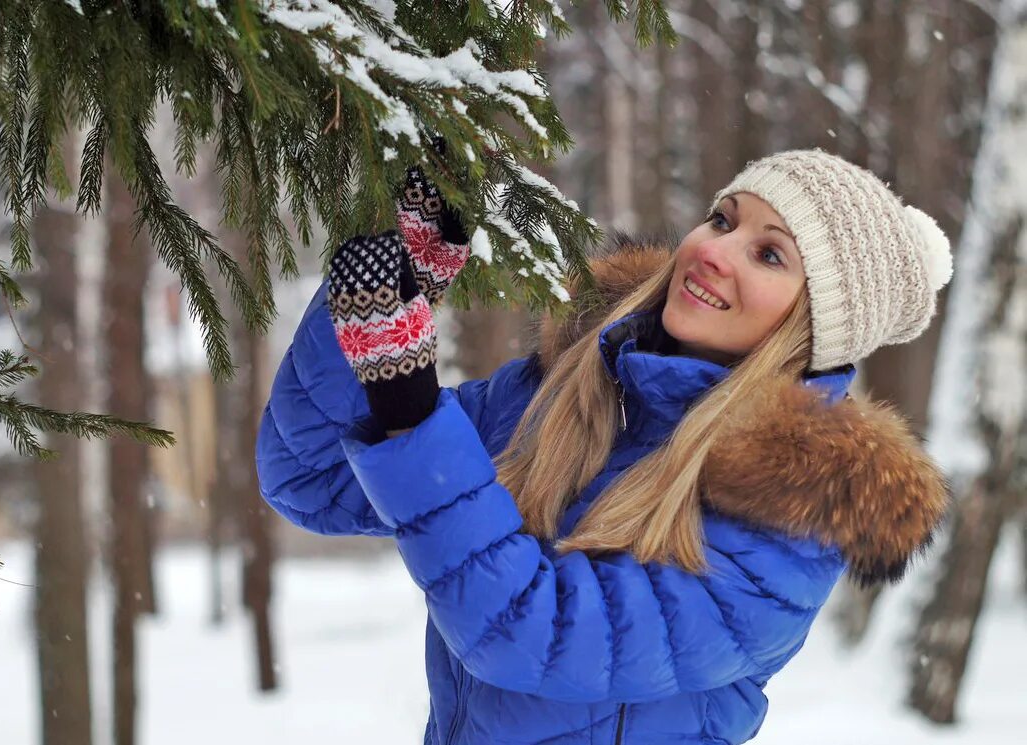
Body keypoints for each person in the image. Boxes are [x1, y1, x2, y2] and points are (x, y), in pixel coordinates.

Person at [255, 149, 952, 744]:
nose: (712, 251)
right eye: (722, 219)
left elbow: (531, 632)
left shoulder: (793, 521)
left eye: (769, 253)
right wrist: (396, 289)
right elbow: (309, 474)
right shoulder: (558, 392)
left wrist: (413, 416)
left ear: (814, 328)